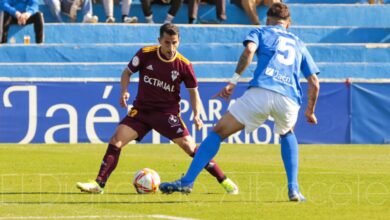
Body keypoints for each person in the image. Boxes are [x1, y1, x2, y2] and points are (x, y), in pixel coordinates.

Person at [159, 3, 320, 202]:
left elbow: (248, 52)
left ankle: (187, 181)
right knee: (287, 133)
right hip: (288, 98)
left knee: (218, 132)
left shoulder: (261, 31)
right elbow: (314, 82)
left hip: (261, 91)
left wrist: (233, 82)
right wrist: (310, 111)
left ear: (268, 20)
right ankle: (293, 189)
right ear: (288, 24)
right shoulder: (299, 43)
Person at [76, 23, 239, 195]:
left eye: (174, 42)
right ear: (159, 40)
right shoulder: (145, 54)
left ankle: (224, 180)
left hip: (166, 115)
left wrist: (197, 113)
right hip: (142, 111)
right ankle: (98, 184)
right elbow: (126, 73)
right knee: (116, 140)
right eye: (167, 42)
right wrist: (124, 92)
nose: (171, 47)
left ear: (179, 41)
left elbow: (194, 93)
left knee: (191, 148)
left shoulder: (184, 65)